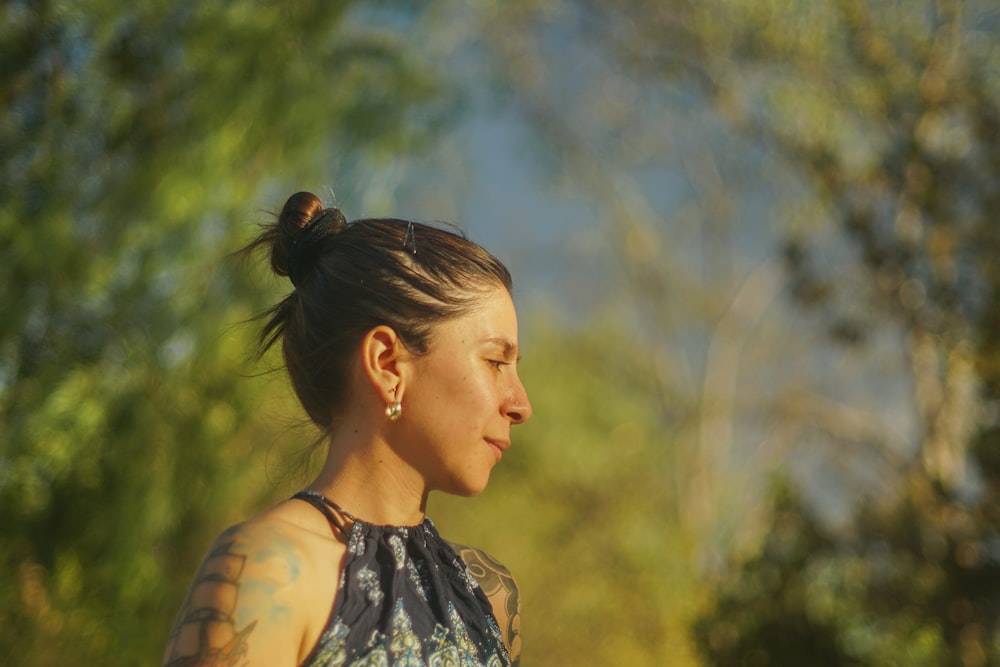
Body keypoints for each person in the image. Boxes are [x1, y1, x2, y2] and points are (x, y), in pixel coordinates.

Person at [161, 192, 533, 667]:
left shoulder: (489, 597)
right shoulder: (267, 573)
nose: (521, 405)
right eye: (496, 361)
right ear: (387, 364)